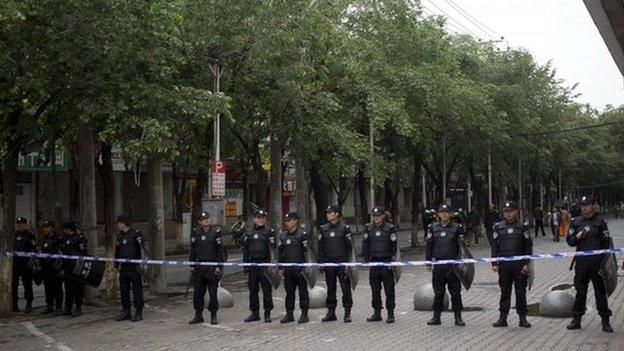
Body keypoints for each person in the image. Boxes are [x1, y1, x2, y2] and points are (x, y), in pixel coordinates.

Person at [566, 195, 613, 333]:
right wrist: (577, 237)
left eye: (587, 205)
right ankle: (576, 319)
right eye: (582, 205)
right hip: (581, 264)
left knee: (600, 292)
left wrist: (606, 265)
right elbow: (570, 242)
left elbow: (606, 244)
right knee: (580, 292)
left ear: (593, 205)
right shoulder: (576, 222)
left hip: (597, 264)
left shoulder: (600, 222)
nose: (584, 208)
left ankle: (605, 320)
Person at [491, 201, 533, 328]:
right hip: (504, 265)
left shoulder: (523, 226)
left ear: (516, 212)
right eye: (506, 211)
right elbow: (494, 247)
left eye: (510, 211)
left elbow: (528, 246)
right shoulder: (498, 227)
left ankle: (522, 318)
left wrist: (527, 263)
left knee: (520, 292)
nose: (508, 214)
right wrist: (494, 263)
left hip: (520, 265)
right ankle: (503, 317)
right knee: (505, 292)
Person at [426, 204, 465, 327]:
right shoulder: (432, 227)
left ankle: (458, 317)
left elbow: (462, 248)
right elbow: (429, 246)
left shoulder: (457, 228)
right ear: (438, 214)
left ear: (451, 214)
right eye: (441, 212)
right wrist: (428, 262)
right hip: (438, 265)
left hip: (452, 265)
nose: (444, 214)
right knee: (438, 293)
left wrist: (461, 263)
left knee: (455, 293)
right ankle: (436, 316)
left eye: (446, 212)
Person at [317, 205, 354, 323]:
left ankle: (347, 313)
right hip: (329, 264)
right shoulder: (323, 229)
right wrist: (321, 262)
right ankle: (331, 312)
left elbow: (350, 248)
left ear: (337, 214)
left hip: (342, 264)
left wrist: (349, 263)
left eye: (331, 212)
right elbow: (321, 247)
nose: (328, 214)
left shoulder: (344, 228)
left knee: (345, 288)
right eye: (327, 212)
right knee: (330, 288)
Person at [362, 206, 397, 324]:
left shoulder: (389, 228)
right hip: (374, 262)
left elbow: (394, 246)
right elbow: (365, 244)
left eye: (378, 215)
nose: (376, 218)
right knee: (375, 289)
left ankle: (390, 313)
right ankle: (377, 312)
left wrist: (393, 261)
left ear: (383, 216)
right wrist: (366, 259)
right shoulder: (368, 228)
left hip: (386, 262)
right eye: (374, 216)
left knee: (389, 289)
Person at [189, 212, 225, 325]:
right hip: (199, 266)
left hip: (212, 266)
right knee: (198, 293)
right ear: (200, 221)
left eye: (207, 218)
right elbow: (192, 250)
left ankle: (213, 315)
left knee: (213, 293)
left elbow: (220, 251)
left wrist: (219, 266)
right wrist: (192, 264)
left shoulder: (215, 232)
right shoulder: (195, 232)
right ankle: (198, 315)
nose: (206, 221)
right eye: (203, 219)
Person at [242, 209, 275, 323]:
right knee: (253, 290)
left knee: (267, 291)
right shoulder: (249, 233)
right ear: (254, 219)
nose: (261, 219)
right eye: (259, 217)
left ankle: (267, 313)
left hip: (265, 265)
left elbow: (272, 250)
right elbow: (245, 250)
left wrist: (270, 265)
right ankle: (254, 313)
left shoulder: (269, 232)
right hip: (253, 265)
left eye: (263, 217)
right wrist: (245, 265)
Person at [277, 212, 310, 324]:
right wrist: (280, 268)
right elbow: (280, 253)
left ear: (295, 221)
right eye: (285, 221)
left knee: (303, 292)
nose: (287, 223)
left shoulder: (302, 235)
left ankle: (304, 314)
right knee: (289, 293)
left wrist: (305, 268)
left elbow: (307, 253)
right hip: (288, 270)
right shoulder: (283, 235)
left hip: (300, 269)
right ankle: (289, 314)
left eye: (289, 220)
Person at [115, 215, 148, 322]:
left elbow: (141, 249)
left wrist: (141, 264)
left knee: (137, 291)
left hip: (134, 267)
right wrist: (116, 266)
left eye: (119, 223)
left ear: (123, 223)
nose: (118, 225)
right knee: (124, 291)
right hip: (123, 267)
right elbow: (117, 251)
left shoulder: (135, 233)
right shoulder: (119, 236)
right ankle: (126, 312)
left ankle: (138, 312)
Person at [60, 221, 88, 317]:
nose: (63, 231)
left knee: (78, 289)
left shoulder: (80, 239)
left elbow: (83, 253)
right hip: (67, 268)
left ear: (69, 229)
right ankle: (68, 307)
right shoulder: (65, 239)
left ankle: (78, 308)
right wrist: (62, 268)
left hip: (77, 267)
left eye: (64, 229)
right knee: (68, 289)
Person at [12, 217, 37, 313]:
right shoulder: (13, 235)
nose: (19, 225)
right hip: (15, 264)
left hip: (25, 264)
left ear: (25, 225)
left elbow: (33, 250)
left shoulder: (30, 236)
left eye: (21, 223)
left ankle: (29, 303)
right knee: (14, 285)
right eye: (17, 223)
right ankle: (14, 304)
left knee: (27, 284)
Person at [40, 220, 64, 315]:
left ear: (52, 228)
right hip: (46, 268)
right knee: (48, 287)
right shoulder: (45, 239)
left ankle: (58, 307)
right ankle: (49, 305)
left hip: (56, 268)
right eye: (44, 227)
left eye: (47, 227)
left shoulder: (58, 239)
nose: (44, 229)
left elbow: (62, 255)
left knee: (57, 288)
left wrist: (61, 269)